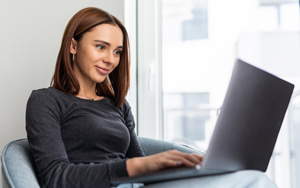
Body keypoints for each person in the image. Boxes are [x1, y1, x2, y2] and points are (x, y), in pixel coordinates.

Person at [26, 7, 278, 188]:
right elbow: (55, 178)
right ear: (73, 46)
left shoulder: (118, 105)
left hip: (136, 185)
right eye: (100, 47)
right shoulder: (46, 101)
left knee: (253, 179)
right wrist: (136, 167)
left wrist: (187, 168)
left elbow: (138, 163)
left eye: (117, 51)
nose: (111, 60)